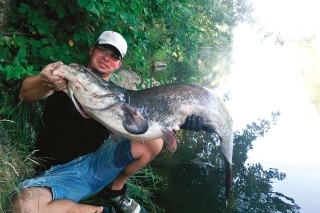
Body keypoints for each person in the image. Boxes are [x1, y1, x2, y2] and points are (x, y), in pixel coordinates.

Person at [11, 31, 203, 213]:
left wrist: (181, 120)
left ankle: (114, 190)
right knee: (23, 207)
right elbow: (25, 93)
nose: (106, 58)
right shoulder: (68, 78)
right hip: (55, 173)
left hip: (95, 165)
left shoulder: (122, 98)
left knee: (154, 141)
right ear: (92, 50)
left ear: (118, 64)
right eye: (103, 50)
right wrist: (46, 82)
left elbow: (147, 129)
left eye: (114, 56)